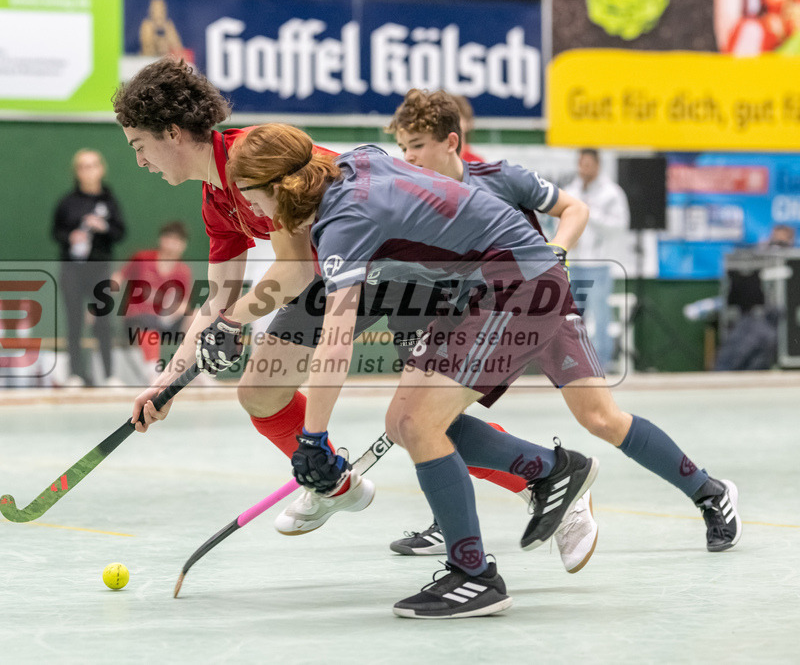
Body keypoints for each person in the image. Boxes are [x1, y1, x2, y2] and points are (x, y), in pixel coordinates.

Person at [113, 58, 584, 540]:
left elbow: (292, 270)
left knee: (421, 419)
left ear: (172, 133)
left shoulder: (256, 160)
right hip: (339, 274)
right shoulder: (217, 203)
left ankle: (537, 480)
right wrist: (169, 379)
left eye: (139, 146)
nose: (140, 161)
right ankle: (333, 483)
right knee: (260, 390)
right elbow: (220, 301)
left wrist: (235, 322)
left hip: (402, 271)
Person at [228, 124, 607, 618]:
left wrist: (313, 438)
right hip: (475, 288)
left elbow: (336, 340)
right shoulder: (353, 161)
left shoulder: (342, 222)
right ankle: (554, 471)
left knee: (419, 423)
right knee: (403, 423)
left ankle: (475, 576)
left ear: (279, 186)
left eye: (253, 198)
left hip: (517, 286)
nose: (255, 212)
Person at [389, 88, 739, 563]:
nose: (408, 157)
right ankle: (458, 513)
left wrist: (556, 251)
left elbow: (574, 209)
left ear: (450, 142)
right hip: (485, 319)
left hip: (544, 307)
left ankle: (708, 491)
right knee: (433, 419)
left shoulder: (501, 178)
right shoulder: (419, 206)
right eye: (403, 147)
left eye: (416, 146)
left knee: (601, 419)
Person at [52, 148, 126, 387]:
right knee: (74, 321)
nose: (88, 170)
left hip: (100, 269)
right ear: (76, 172)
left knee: (103, 322)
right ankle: (75, 374)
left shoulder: (110, 201)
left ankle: (108, 375)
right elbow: (56, 231)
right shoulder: (67, 202)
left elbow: (120, 232)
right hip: (72, 270)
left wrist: (103, 227)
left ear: (101, 169)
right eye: (83, 166)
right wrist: (70, 237)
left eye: (93, 165)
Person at [562, 148, 630, 373]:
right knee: (572, 317)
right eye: (581, 163)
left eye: (589, 164)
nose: (584, 168)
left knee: (601, 315)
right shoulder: (571, 191)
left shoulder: (611, 193)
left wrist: (589, 214)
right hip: (575, 263)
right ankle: (574, 362)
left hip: (599, 264)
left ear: (598, 165)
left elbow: (619, 226)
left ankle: (602, 363)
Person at [113, 221, 193, 383]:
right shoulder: (143, 259)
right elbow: (119, 277)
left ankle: (195, 368)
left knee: (197, 317)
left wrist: (173, 312)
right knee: (149, 321)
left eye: (178, 241)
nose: (173, 244)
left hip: (164, 321)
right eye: (170, 239)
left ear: (184, 245)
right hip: (136, 321)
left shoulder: (183, 271)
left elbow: (184, 304)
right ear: (162, 240)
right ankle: (153, 373)